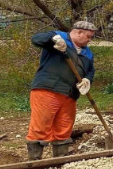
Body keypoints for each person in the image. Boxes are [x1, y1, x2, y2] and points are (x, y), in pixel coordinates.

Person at [26, 21, 97, 161]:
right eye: (89, 36)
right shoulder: (59, 37)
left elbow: (90, 71)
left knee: (64, 128)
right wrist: (53, 40)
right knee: (41, 125)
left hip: (70, 94)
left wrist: (87, 80)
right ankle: (34, 161)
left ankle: (61, 160)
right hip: (48, 89)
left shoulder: (88, 53)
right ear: (79, 32)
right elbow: (36, 39)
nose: (90, 40)